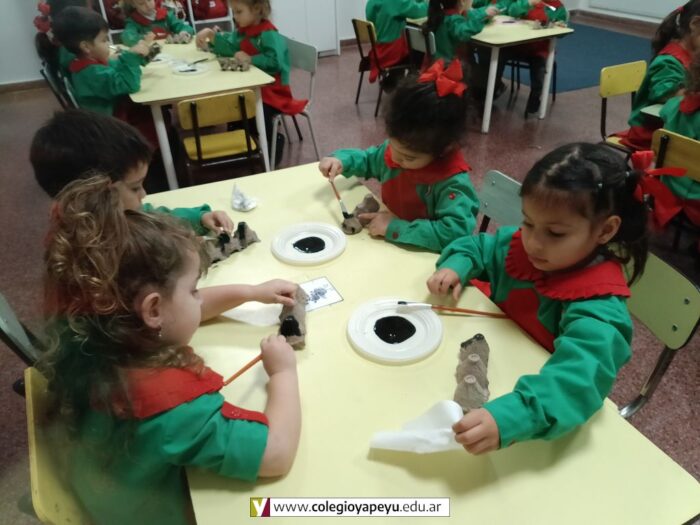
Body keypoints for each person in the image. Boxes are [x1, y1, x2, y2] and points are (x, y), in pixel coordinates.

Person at [40, 175, 302, 525]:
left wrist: (250, 292)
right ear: (153, 310)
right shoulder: (175, 410)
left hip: (99, 481)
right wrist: (283, 372)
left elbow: (178, 313)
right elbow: (277, 453)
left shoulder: (94, 329)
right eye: (193, 289)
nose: (199, 298)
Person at [427, 143, 649, 453]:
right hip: (489, 363)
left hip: (534, 415)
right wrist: (458, 265)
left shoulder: (600, 307)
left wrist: (513, 416)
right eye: (528, 223)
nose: (533, 243)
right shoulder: (519, 247)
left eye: (555, 233)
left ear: (605, 230)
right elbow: (478, 247)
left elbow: (577, 381)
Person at [318, 59, 479, 253]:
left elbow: (455, 233)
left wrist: (395, 227)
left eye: (409, 158)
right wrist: (341, 160)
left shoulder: (452, 184)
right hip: (393, 250)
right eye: (393, 146)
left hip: (427, 260)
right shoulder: (397, 151)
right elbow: (368, 160)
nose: (395, 159)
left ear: (443, 151)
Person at [30, 109, 231, 233]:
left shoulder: (111, 213)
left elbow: (151, 216)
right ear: (94, 195)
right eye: (135, 188)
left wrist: (199, 218)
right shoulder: (91, 257)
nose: (144, 194)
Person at [195, 0, 307, 163]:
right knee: (236, 104)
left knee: (257, 110)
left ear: (256, 9)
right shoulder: (242, 31)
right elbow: (230, 48)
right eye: (234, 12)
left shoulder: (268, 33)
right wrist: (212, 37)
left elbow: (276, 62)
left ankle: (273, 142)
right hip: (253, 87)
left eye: (239, 12)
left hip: (273, 91)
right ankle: (242, 143)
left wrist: (251, 59)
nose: (235, 17)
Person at [617, 0, 700, 150]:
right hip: (651, 132)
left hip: (673, 128)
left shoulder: (693, 55)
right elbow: (666, 94)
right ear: (695, 24)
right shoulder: (668, 61)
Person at [504, 0, 568, 115]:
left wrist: (561, 27)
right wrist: (527, 4)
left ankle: (535, 97)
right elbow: (512, 12)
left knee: (539, 69)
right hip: (517, 45)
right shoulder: (528, 2)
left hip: (540, 49)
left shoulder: (558, 7)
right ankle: (493, 89)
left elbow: (562, 32)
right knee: (497, 57)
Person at [365, 0, 429, 87]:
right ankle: (411, 81)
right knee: (421, 46)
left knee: (411, 40)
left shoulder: (371, 2)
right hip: (392, 51)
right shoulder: (395, 1)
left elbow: (404, 4)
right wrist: (430, 4)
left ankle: (396, 78)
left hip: (378, 51)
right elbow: (418, 11)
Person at [425, 0, 497, 64]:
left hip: (436, 63)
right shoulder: (453, 20)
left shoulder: (438, 15)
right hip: (449, 67)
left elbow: (471, 14)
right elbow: (463, 33)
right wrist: (483, 16)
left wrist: (484, 14)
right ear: (462, 1)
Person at [120, 0, 194, 46]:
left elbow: (184, 27)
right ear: (133, 4)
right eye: (141, 3)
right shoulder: (133, 21)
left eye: (149, 0)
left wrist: (184, 33)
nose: (148, 5)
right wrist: (144, 38)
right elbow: (128, 37)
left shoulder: (166, 14)